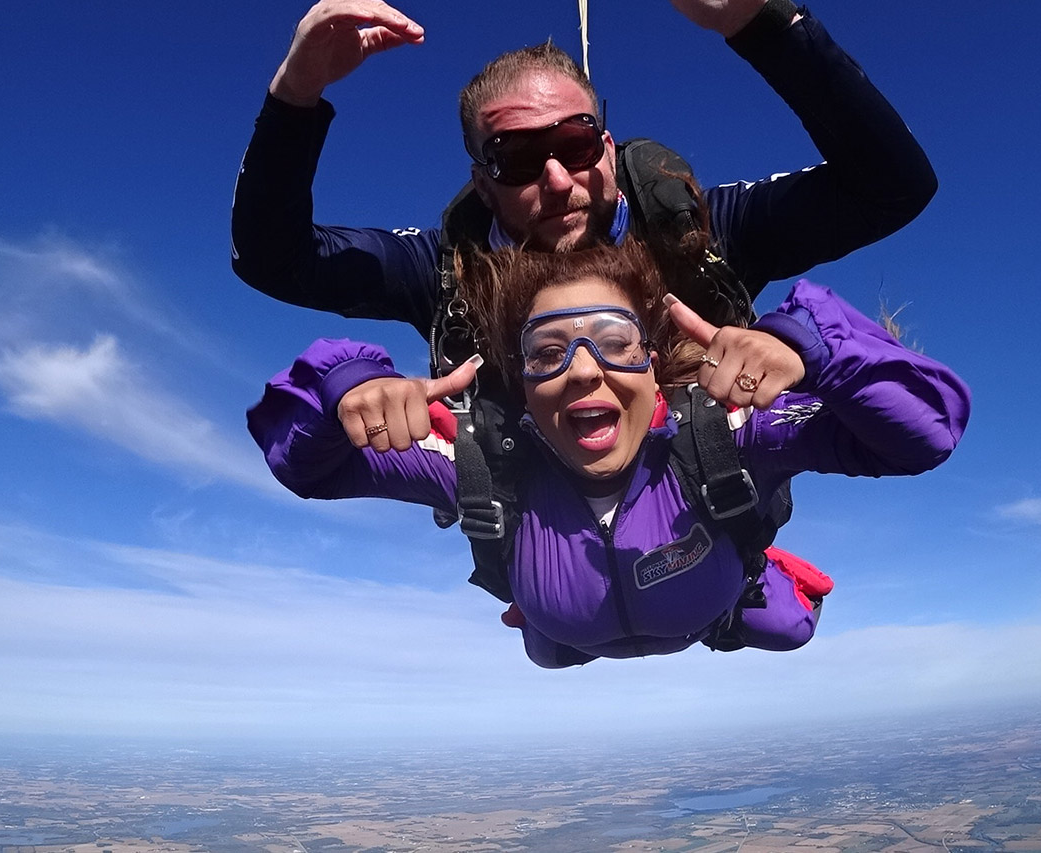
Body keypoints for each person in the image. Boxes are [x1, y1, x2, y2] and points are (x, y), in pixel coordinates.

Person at [231, 0, 940, 440]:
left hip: (711, 510)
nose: (557, 178)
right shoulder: (449, 270)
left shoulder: (698, 232)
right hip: (552, 552)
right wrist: (295, 97)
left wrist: (762, 24)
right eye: (515, 159)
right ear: (482, 182)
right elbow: (274, 258)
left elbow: (892, 187)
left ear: (606, 143)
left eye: (574, 144)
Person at [247, 241, 971, 667]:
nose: (586, 370)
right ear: (522, 386)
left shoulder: (727, 433)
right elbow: (298, 460)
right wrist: (351, 385)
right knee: (552, 648)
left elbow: (925, 430)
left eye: (616, 343)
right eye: (548, 351)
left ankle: (739, 589)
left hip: (708, 602)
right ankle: (558, 613)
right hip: (568, 623)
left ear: (655, 365)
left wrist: (807, 342)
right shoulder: (480, 457)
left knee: (788, 626)